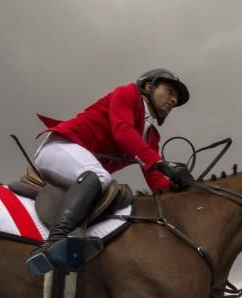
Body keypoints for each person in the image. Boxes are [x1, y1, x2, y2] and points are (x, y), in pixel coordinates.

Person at [26, 69, 194, 275]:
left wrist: (181, 189)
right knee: (100, 177)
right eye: (169, 91)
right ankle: (54, 242)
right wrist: (161, 163)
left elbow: (155, 178)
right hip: (60, 147)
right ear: (148, 87)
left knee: (107, 186)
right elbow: (122, 131)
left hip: (81, 169)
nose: (173, 100)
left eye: (175, 99)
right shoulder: (127, 94)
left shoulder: (151, 136)